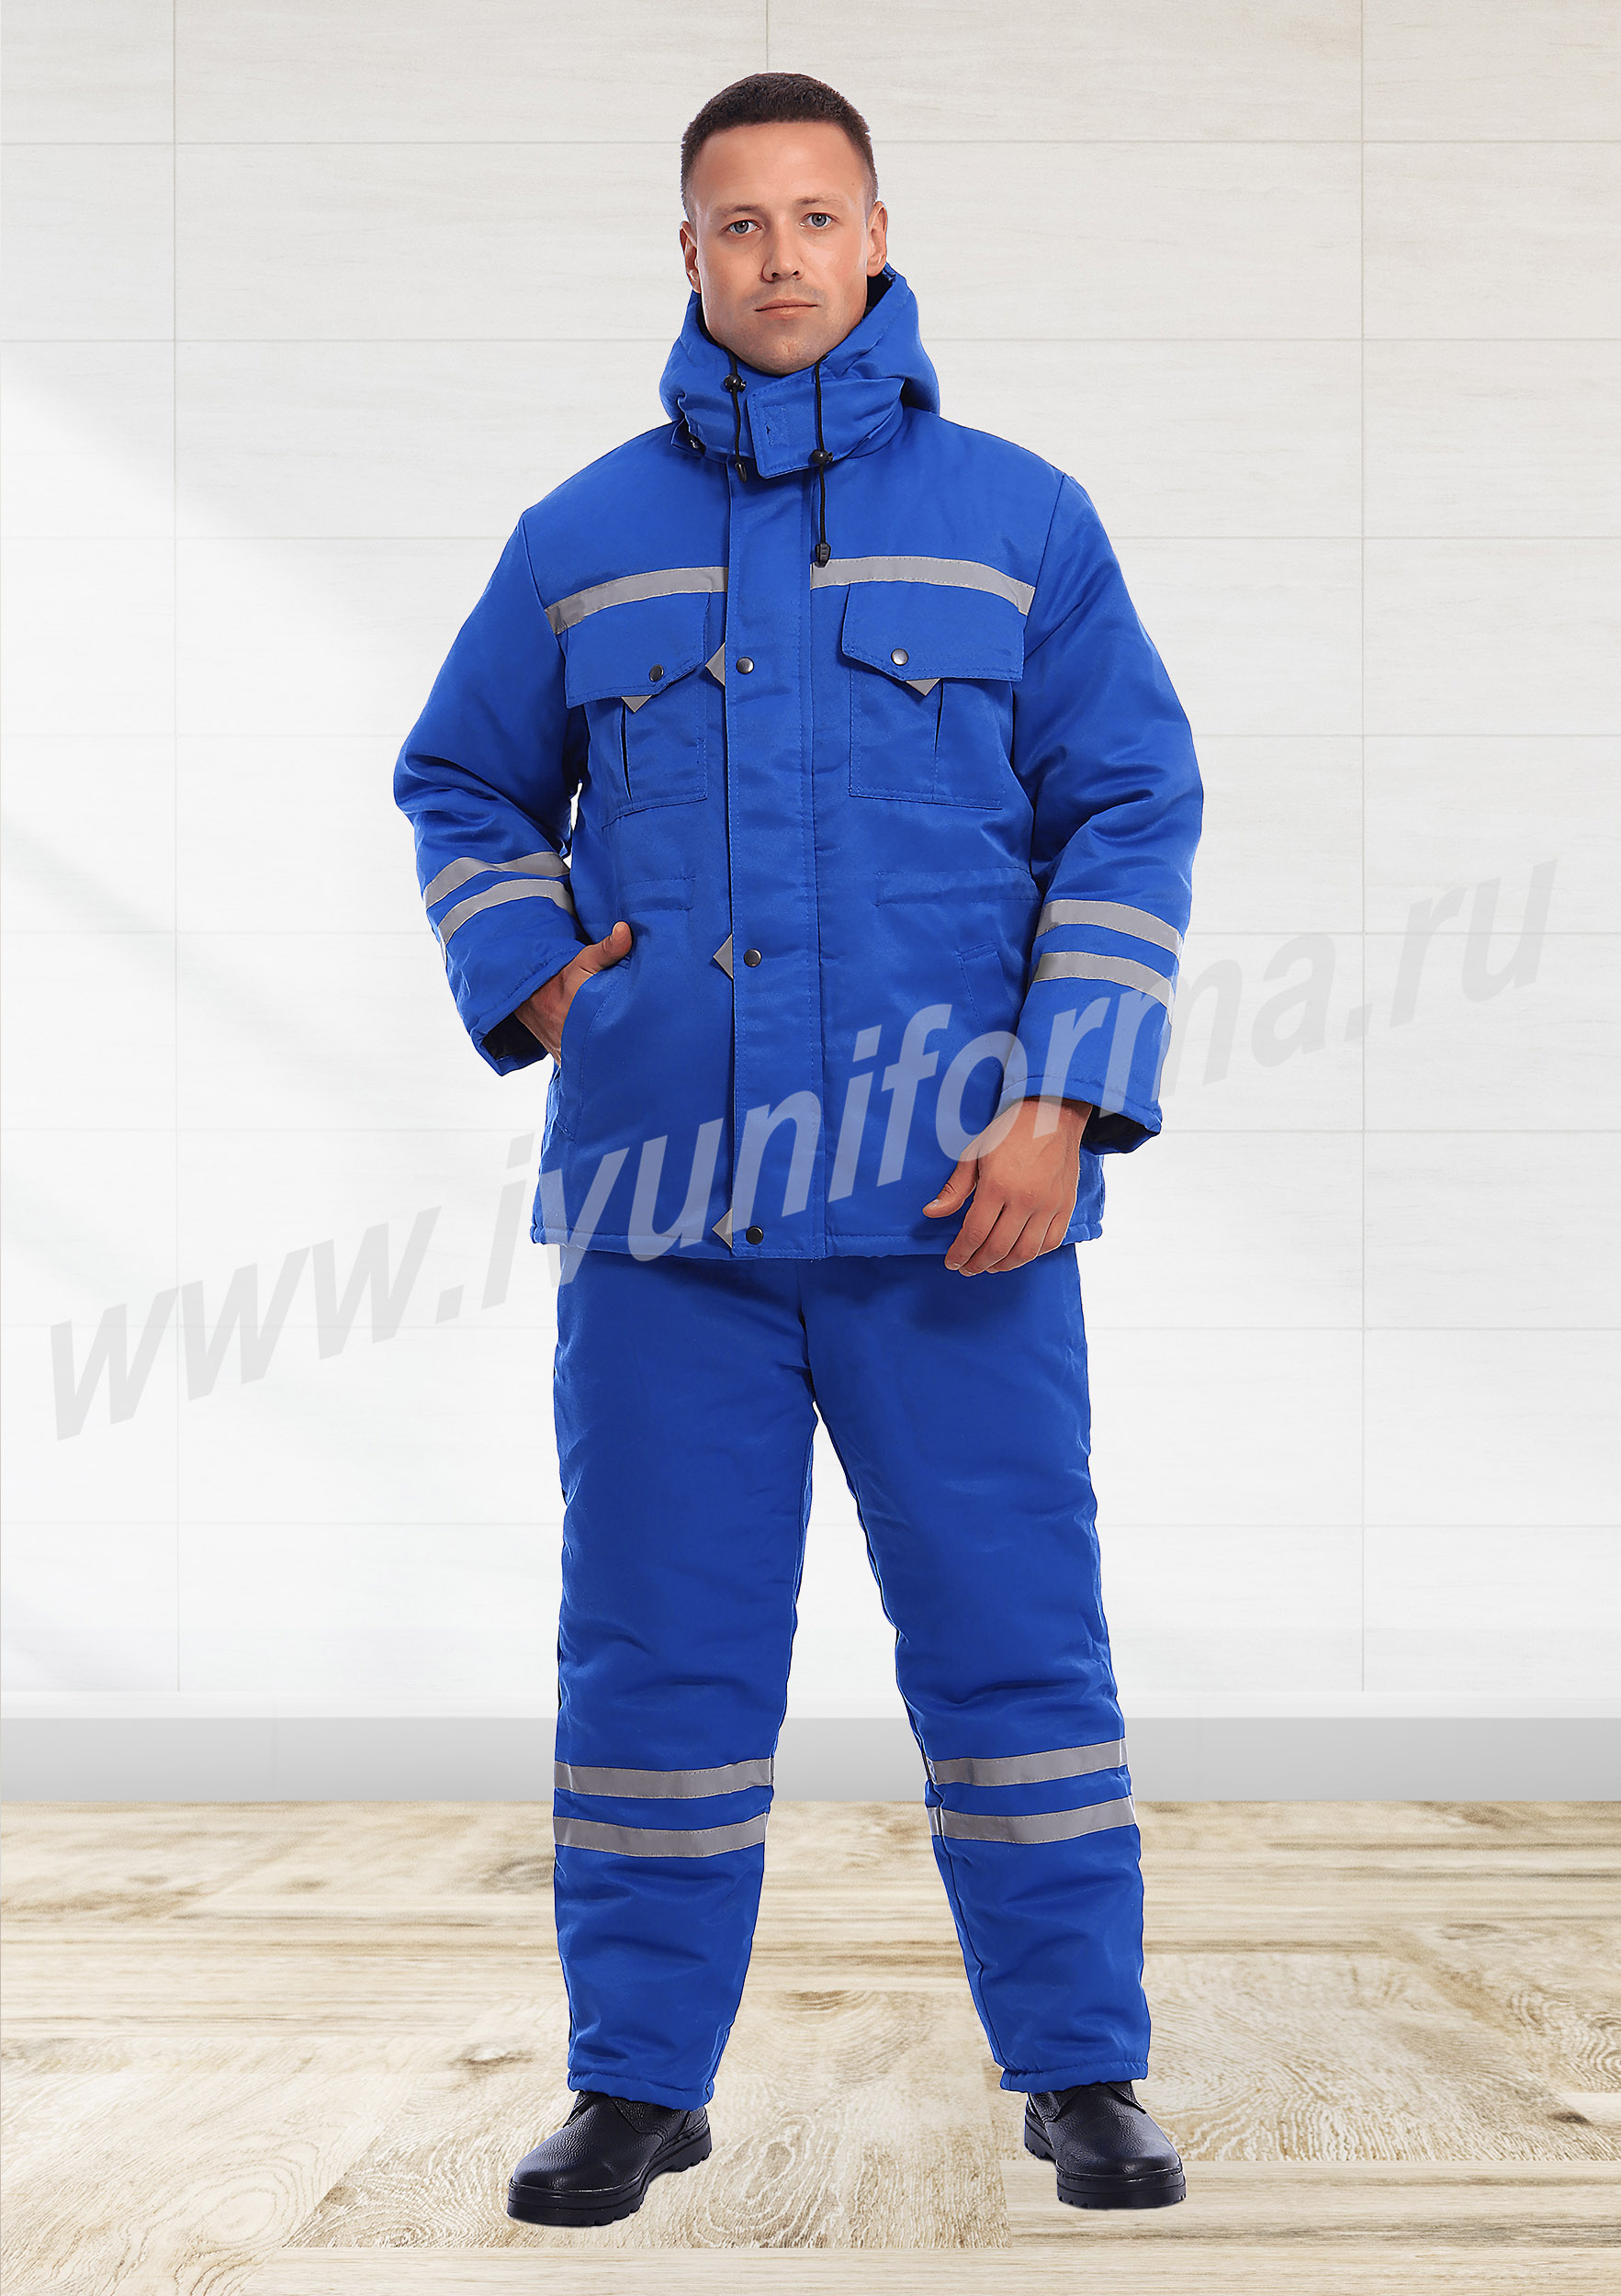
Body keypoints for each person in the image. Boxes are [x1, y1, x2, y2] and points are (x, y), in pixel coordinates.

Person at [395, 72, 1201, 2230]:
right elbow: (460, 782)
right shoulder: (579, 537)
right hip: (665, 1216)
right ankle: (634, 2079)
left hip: (960, 1206)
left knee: (1016, 1643)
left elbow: (1130, 803)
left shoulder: (1020, 519)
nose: (778, 256)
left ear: (875, 235)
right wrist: (546, 985)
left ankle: (1082, 2064)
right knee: (653, 1656)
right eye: (736, 223)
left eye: (813, 216)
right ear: (688, 252)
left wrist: (1064, 1093)